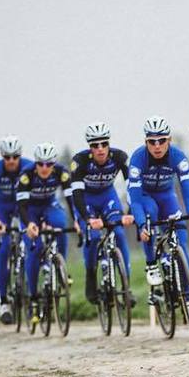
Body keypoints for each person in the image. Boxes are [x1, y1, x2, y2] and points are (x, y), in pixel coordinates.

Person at [128, 116, 189, 313]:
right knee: (150, 214)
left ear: (169, 141)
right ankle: (152, 263)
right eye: (152, 141)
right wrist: (140, 225)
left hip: (166, 196)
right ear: (146, 142)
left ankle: (187, 292)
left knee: (181, 238)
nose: (157, 146)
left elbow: (188, 194)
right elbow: (135, 201)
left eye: (161, 140)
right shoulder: (138, 159)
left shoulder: (178, 157)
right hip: (144, 197)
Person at [69, 122, 135, 304]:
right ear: (89, 147)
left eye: (104, 144)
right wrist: (87, 219)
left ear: (109, 144)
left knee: (119, 233)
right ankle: (91, 277)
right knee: (94, 236)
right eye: (95, 145)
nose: (100, 149)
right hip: (86, 200)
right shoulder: (79, 161)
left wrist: (129, 212)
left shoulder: (120, 157)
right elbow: (76, 194)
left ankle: (126, 287)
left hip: (107, 197)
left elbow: (132, 187)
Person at [16, 143, 77, 311]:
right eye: (41, 164)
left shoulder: (61, 172)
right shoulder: (26, 175)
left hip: (50, 204)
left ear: (54, 164)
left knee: (60, 226)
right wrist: (29, 224)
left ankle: (60, 267)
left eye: (49, 164)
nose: (45, 168)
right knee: (34, 250)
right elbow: (21, 206)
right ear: (36, 163)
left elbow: (70, 200)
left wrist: (77, 220)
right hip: (30, 209)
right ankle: (33, 295)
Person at [0, 135, 33, 324]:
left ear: (20, 156)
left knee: (30, 246)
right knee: (3, 249)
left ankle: (30, 297)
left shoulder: (28, 167)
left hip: (22, 207)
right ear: (2, 157)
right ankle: (3, 300)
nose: (11, 161)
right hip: (0, 209)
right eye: (7, 157)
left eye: (15, 157)